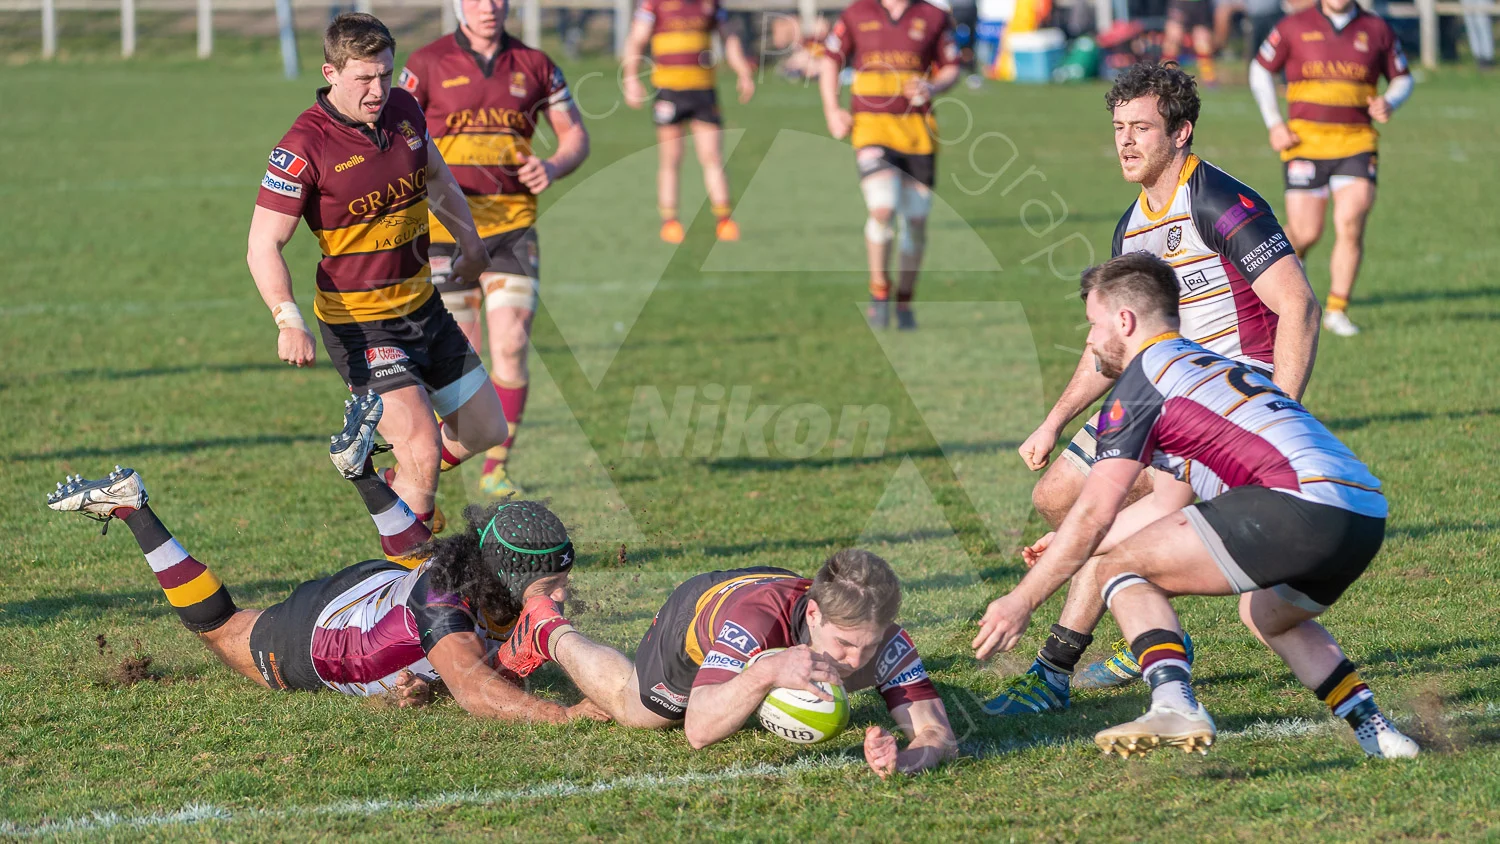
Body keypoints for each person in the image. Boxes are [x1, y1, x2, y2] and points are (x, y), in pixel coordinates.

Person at [973, 253, 1419, 759]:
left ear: (1125, 321)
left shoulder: (1141, 386)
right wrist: (1069, 540)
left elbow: (1094, 512)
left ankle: (1173, 703)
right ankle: (1378, 731)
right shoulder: (1203, 367)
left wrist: (1022, 600)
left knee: (1120, 569)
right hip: (1362, 513)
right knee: (1268, 615)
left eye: (1094, 325)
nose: (1091, 342)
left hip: (1296, 504)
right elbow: (1162, 504)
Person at [992, 62, 1320, 715]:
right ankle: (1149, 621)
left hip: (1226, 402)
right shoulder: (1131, 227)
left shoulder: (1220, 202)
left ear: (1180, 132)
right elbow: (1115, 342)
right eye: (1119, 127)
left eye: (1141, 127)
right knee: (1056, 496)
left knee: (1104, 529)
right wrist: (1054, 420)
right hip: (1165, 390)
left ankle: (1055, 670)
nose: (1126, 141)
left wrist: (1275, 416)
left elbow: (1299, 306)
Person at [44, 395, 607, 724]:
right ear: (508, 578)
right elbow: (477, 689)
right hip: (316, 636)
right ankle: (133, 507)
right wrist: (564, 715)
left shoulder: (476, 575)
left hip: (385, 585)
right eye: (551, 584)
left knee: (422, 559)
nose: (562, 594)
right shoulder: (445, 610)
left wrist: (428, 686)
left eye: (562, 579)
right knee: (222, 629)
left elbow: (484, 661)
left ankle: (362, 472)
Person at [247, 13, 509, 532]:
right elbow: (263, 245)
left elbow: (438, 178)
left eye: (385, 74)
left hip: (424, 307)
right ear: (331, 73)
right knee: (422, 447)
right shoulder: (303, 147)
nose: (378, 89)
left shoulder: (405, 109)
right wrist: (287, 320)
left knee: (485, 430)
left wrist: (472, 244)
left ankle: (401, 489)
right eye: (364, 78)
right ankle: (414, 573)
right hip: (361, 325)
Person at [490, 553, 958, 777]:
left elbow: (938, 736)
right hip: (701, 613)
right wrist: (767, 672)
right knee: (639, 712)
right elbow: (698, 730)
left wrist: (903, 759)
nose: (855, 660)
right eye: (844, 644)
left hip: (766, 595)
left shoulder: (887, 643)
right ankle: (548, 630)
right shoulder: (756, 624)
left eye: (869, 646)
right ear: (814, 615)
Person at [399, 0, 590, 501]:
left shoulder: (536, 65)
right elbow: (393, 133)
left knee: (510, 343)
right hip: (444, 229)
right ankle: (426, 467)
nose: (489, 7)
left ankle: (495, 468)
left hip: (512, 228)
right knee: (459, 361)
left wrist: (554, 165)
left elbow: (575, 135)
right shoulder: (426, 63)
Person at [1249, 0, 1414, 336]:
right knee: (1305, 232)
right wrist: (1274, 123)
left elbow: (1402, 78)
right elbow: (1260, 70)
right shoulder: (1294, 25)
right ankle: (1280, 279)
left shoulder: (1376, 29)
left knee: (1351, 220)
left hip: (1356, 143)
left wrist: (1390, 101)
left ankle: (1337, 310)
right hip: (1304, 144)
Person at [818, 0, 960, 330]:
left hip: (917, 134)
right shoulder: (857, 12)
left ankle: (905, 300)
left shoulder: (934, 16)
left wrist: (932, 86)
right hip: (871, 129)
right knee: (882, 208)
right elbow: (830, 60)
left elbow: (952, 67)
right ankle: (879, 290)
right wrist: (832, 110)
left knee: (916, 221)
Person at [622, 0, 756, 244]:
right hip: (668, 91)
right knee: (671, 157)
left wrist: (742, 71)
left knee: (712, 155)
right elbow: (637, 39)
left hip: (703, 91)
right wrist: (630, 77)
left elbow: (729, 37)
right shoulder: (654, 3)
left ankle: (724, 219)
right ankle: (670, 221)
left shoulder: (710, 3)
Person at [1164, 0, 1219, 85]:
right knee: (1173, 38)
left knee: (1203, 41)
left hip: (1199, 5)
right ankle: (1166, 76)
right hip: (1180, 4)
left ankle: (1209, 79)